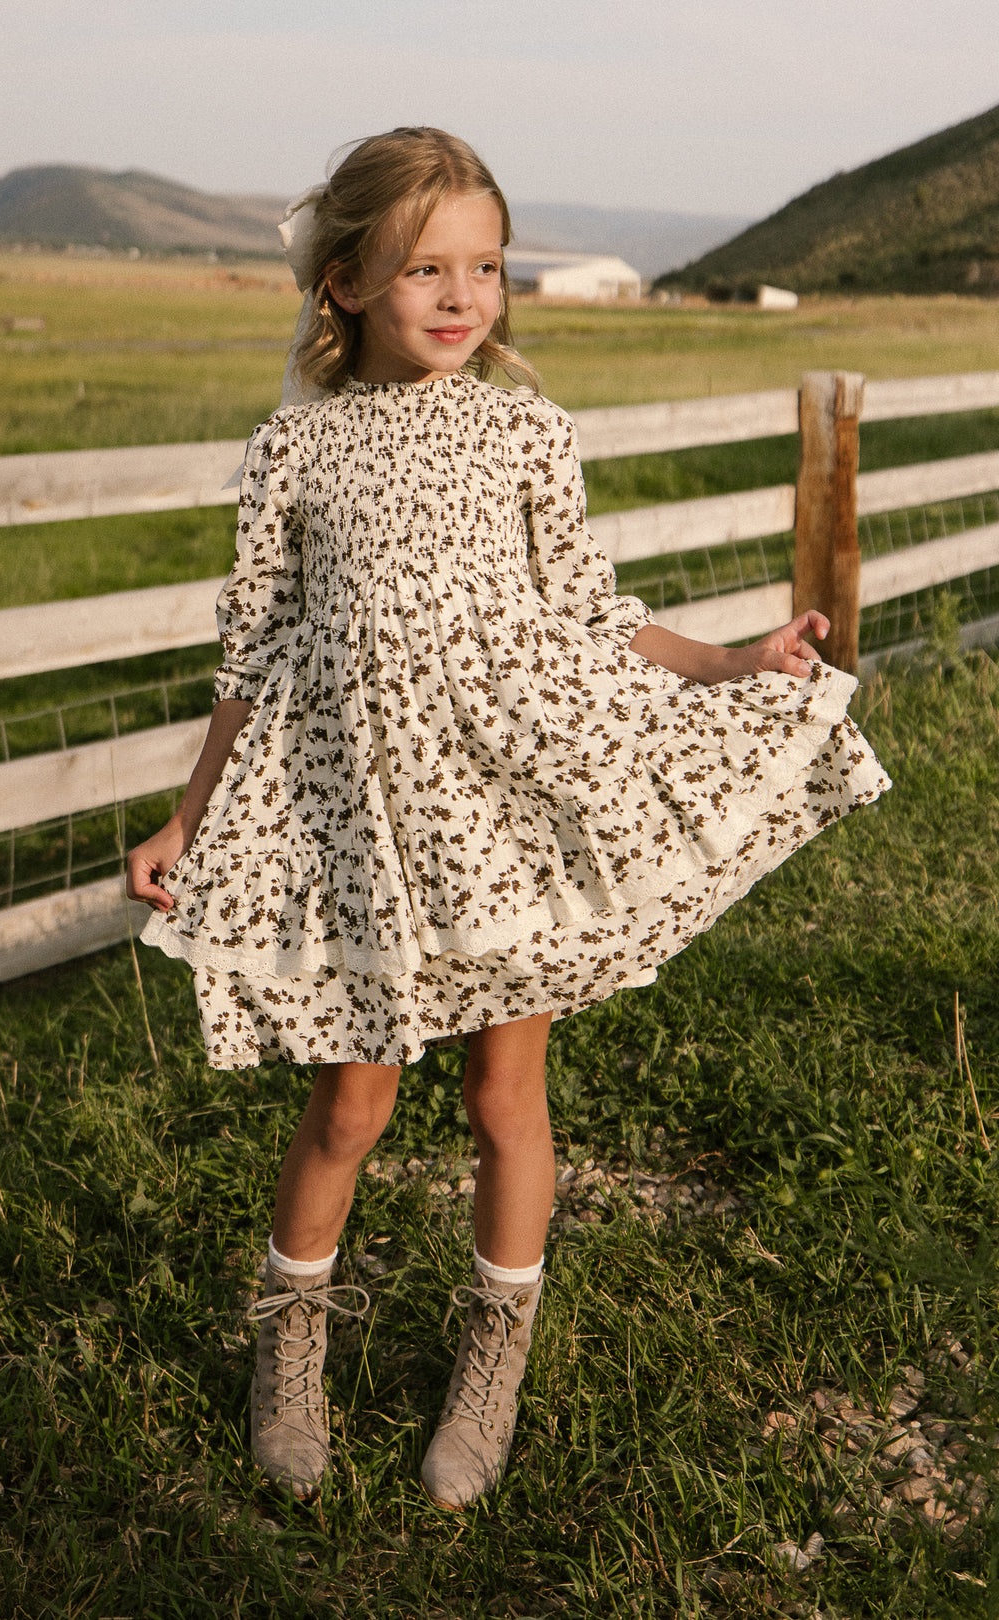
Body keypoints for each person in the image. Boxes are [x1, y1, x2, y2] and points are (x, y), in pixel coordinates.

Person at [126, 127, 889, 1509]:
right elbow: (254, 658)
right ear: (346, 280)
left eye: (485, 265)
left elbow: (590, 618)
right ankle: (288, 1348)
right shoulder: (294, 450)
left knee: (501, 1095)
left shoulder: (528, 432)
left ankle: (493, 1357)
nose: (462, 293)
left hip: (504, 817)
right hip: (358, 824)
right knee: (351, 1106)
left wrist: (728, 664)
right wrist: (192, 819)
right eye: (426, 266)